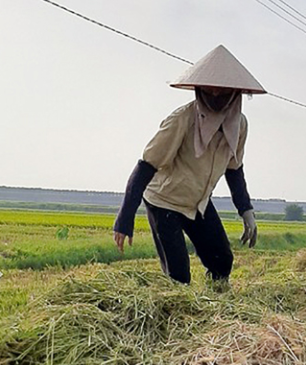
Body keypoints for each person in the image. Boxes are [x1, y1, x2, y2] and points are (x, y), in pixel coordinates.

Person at [113, 45, 264, 284]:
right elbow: (146, 165)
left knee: (222, 261)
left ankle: (216, 311)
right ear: (198, 89)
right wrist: (125, 217)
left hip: (198, 202)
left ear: (234, 92)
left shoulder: (239, 126)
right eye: (208, 90)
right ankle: (178, 315)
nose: (214, 95)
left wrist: (246, 210)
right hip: (165, 202)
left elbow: (234, 170)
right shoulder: (182, 120)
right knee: (178, 277)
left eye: (221, 91)